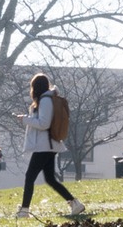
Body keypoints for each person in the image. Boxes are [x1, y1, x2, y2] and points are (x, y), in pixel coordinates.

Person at [15, 73, 86, 219]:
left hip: (44, 146)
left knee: (30, 176)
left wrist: (25, 119)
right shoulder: (47, 99)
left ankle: (24, 210)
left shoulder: (45, 100)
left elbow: (44, 124)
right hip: (48, 145)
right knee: (50, 179)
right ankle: (74, 203)